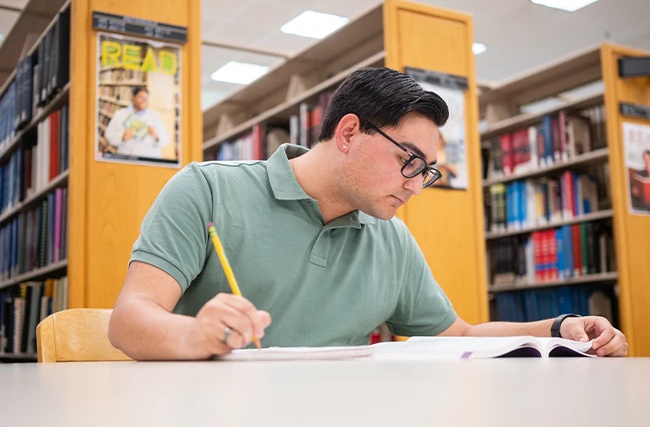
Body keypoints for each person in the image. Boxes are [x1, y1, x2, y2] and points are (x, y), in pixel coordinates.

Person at [108, 67, 628, 360]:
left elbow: (460, 338)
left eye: (427, 173)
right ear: (350, 132)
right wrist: (193, 334)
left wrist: (562, 328)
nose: (416, 186)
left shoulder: (390, 237)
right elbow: (130, 320)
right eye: (410, 161)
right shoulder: (207, 190)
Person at [104, 87, 171, 159]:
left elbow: (166, 140)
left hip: (149, 159)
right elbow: (108, 136)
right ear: (134, 97)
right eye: (141, 97)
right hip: (127, 157)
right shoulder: (120, 114)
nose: (144, 101)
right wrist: (122, 137)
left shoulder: (155, 116)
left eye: (146, 99)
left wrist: (156, 136)